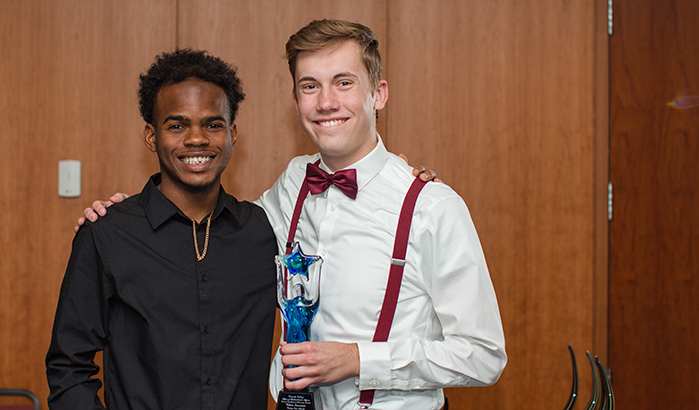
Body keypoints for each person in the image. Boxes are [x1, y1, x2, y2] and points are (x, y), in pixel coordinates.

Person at [79, 19, 494, 410]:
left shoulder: (432, 207)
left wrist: (358, 360)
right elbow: (210, 223)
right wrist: (125, 215)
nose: (326, 102)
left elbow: (483, 356)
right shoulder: (294, 182)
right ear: (296, 100)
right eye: (310, 86)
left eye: (344, 83)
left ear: (379, 93)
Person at [45, 49, 280, 409]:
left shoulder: (264, 233)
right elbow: (68, 367)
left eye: (213, 124)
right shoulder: (107, 234)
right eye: (177, 125)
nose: (197, 139)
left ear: (232, 134)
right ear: (151, 136)